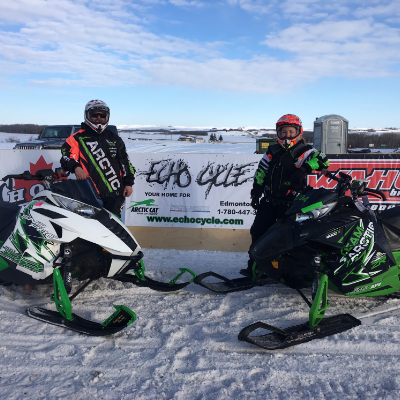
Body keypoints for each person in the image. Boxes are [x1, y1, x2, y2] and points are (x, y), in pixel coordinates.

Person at [241, 114, 329, 278]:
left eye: (290, 131)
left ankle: (288, 268)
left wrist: (305, 168)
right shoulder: (272, 152)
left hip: (292, 203)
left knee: (287, 237)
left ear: (298, 132)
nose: (287, 135)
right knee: (258, 232)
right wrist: (256, 192)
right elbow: (261, 172)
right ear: (278, 133)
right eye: (283, 132)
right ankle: (255, 267)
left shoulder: (305, 151)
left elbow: (324, 161)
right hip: (269, 201)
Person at [60, 100, 135, 218]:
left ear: (107, 117)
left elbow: (125, 163)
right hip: (88, 193)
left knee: (113, 228)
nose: (98, 118)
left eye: (102, 115)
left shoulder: (114, 138)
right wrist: (76, 167)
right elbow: (66, 158)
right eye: (94, 115)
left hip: (115, 193)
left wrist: (129, 183)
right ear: (87, 116)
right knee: (90, 229)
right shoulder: (75, 138)